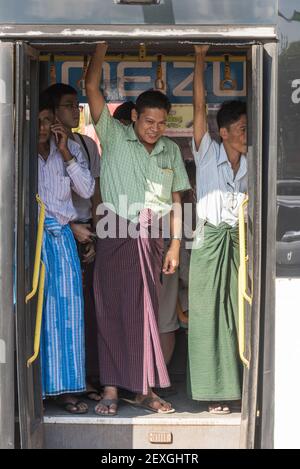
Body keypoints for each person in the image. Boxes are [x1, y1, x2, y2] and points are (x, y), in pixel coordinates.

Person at [85, 42, 190, 416]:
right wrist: (100, 47)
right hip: (115, 232)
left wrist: (176, 244)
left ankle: (144, 389)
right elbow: (93, 90)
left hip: (155, 236)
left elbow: (177, 201)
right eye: (149, 122)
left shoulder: (170, 152)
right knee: (112, 309)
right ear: (134, 119)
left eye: (162, 123)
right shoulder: (113, 135)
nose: (155, 129)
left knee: (147, 312)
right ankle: (112, 389)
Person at [188, 45, 247, 414]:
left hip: (241, 242)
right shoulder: (207, 152)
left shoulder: (255, 160)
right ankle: (213, 394)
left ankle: (246, 386)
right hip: (210, 242)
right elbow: (198, 107)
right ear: (223, 132)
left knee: (243, 313)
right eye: (241, 129)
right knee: (209, 316)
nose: (246, 134)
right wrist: (199, 56)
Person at [43, 83, 102, 401]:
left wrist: (94, 230)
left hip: (80, 232)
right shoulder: (33, 150)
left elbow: (91, 189)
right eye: (68, 105)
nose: (76, 111)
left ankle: (79, 379)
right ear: (52, 113)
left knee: (78, 312)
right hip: (60, 231)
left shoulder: (80, 144)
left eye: (77, 105)